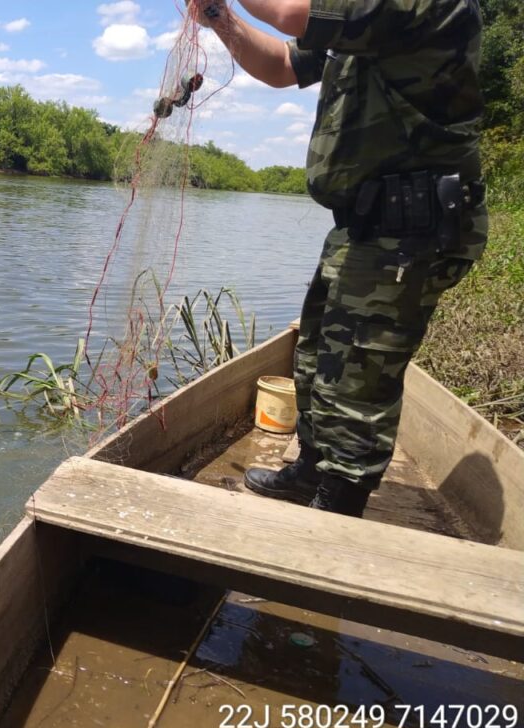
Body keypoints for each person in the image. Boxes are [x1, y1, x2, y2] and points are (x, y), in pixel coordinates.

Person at [186, 0, 488, 517]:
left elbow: (286, 13)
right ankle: (312, 470)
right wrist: (219, 16)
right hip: (362, 225)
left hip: (408, 228)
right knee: (318, 359)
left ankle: (340, 505)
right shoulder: (355, 21)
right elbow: (282, 65)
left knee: (359, 378)